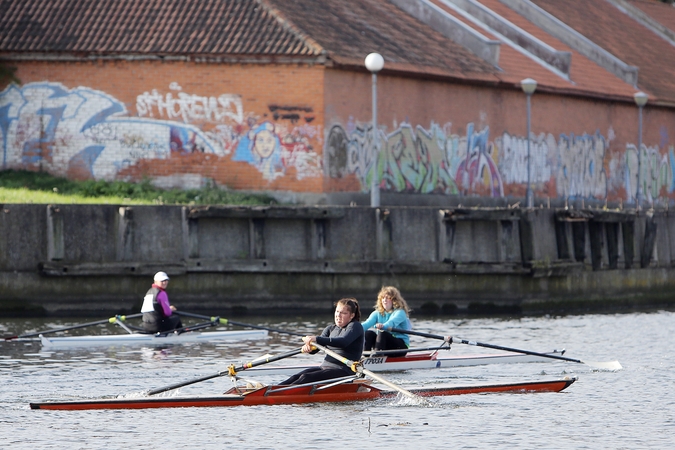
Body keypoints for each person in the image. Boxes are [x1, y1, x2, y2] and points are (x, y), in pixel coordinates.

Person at [279, 298, 364, 385]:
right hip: (325, 367)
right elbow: (316, 349)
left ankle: (277, 395)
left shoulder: (355, 326)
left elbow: (343, 341)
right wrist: (309, 348)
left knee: (306, 377)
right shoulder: (330, 329)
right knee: (296, 377)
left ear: (352, 315)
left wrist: (317, 338)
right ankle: (271, 390)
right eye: (337, 311)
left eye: (343, 313)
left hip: (344, 371)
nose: (338, 315)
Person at [361, 286, 412, 357]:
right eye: (383, 298)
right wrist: (353, 328)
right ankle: (365, 357)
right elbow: (366, 324)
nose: (384, 300)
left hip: (400, 347)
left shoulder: (400, 312)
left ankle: (378, 357)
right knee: (368, 333)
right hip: (383, 345)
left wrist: (383, 326)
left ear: (394, 300)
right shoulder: (377, 313)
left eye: (387, 298)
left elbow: (392, 323)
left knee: (382, 334)